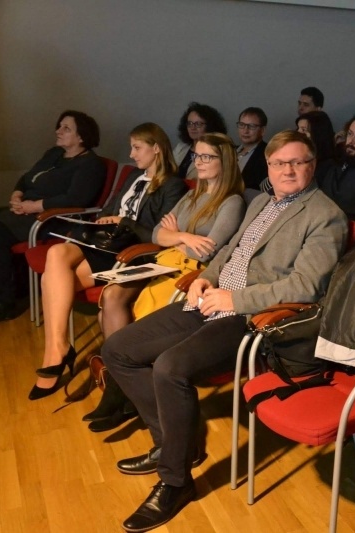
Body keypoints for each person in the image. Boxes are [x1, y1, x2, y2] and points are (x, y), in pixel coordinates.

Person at [101, 130, 347, 533]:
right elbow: (231, 250)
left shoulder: (325, 215)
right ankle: (175, 444)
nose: (288, 169)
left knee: (169, 368)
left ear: (312, 165)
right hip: (211, 298)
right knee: (119, 349)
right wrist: (205, 277)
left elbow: (306, 287)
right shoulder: (262, 200)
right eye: (279, 162)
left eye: (297, 162)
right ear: (268, 166)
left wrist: (236, 300)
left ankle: (175, 481)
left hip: (253, 318)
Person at [84, 133, 246, 431]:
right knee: (111, 297)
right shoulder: (193, 194)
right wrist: (184, 236)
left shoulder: (231, 201)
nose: (199, 162)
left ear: (225, 160)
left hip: (193, 272)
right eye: (197, 156)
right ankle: (123, 388)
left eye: (207, 156)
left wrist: (176, 237)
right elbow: (158, 231)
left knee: (135, 318)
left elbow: (210, 248)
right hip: (164, 260)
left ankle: (121, 393)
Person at [28, 123, 188, 400]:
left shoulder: (173, 185)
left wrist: (123, 221)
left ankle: (57, 353)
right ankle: (57, 347)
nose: (132, 154)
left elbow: (158, 232)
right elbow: (109, 207)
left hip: (129, 246)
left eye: (137, 148)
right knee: (57, 254)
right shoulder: (132, 177)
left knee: (51, 277)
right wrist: (102, 220)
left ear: (157, 149)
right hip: (104, 239)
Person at [0, 110, 106, 323]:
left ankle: (4, 301)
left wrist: (35, 206)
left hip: (54, 219)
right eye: (59, 126)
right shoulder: (54, 153)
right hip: (27, 212)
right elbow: (27, 177)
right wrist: (17, 194)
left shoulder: (90, 164)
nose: (58, 131)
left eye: (66, 128)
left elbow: (76, 199)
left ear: (82, 136)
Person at [172, 102, 228, 179]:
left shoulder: (215, 151)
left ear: (210, 126)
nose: (193, 127)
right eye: (190, 123)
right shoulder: (181, 147)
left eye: (198, 124)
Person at [295, 110, 336, 182]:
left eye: (303, 130)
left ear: (317, 134)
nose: (298, 133)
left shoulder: (329, 167)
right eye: (298, 128)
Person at [235, 107, 268, 190]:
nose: (245, 131)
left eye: (251, 126)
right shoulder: (230, 150)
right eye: (242, 125)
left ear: (262, 130)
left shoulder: (268, 154)